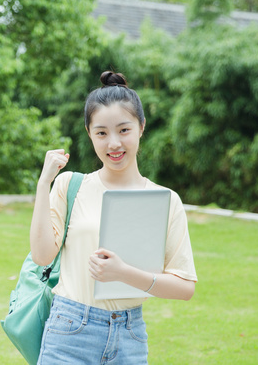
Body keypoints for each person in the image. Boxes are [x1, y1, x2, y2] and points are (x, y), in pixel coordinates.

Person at [29, 71, 198, 364]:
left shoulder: (166, 200)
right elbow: (42, 256)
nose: (114, 144)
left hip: (130, 336)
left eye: (124, 130)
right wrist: (44, 184)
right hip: (69, 329)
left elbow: (185, 287)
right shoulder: (71, 185)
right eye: (102, 133)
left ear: (141, 127)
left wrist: (123, 273)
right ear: (89, 133)